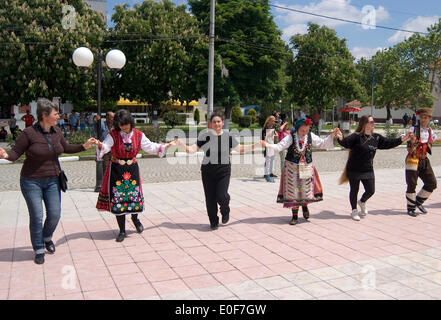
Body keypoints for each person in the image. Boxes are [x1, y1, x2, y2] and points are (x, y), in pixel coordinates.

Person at [0, 99, 97, 264]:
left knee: (54, 214)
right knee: (37, 216)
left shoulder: (57, 131)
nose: (59, 116)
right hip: (31, 182)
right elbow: (15, 153)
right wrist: (5, 155)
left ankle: (46, 237)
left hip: (53, 180)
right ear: (44, 116)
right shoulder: (29, 133)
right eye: (56, 114)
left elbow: (65, 148)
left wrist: (84, 146)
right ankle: (38, 248)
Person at [95, 109, 176, 242]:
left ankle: (135, 218)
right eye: (121, 125)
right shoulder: (113, 135)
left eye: (126, 124)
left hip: (132, 169)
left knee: (134, 196)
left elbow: (150, 146)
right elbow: (106, 146)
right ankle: (121, 230)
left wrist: (166, 145)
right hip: (116, 170)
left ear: (130, 122)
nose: (124, 127)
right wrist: (99, 145)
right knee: (118, 198)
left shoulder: (139, 135)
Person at [177, 113, 261, 230]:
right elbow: (192, 150)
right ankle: (213, 221)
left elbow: (240, 149)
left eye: (218, 121)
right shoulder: (204, 136)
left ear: (222, 122)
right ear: (211, 124)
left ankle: (225, 210)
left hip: (223, 171)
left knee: (222, 195)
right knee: (210, 198)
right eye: (214, 122)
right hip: (207, 171)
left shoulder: (228, 136)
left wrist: (255, 145)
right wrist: (182, 145)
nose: (216, 124)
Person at [262, 118, 338, 225]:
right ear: (297, 129)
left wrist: (332, 135)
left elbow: (323, 143)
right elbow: (279, 146)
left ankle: (305, 206)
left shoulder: (310, 136)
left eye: (306, 130)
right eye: (302, 130)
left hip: (306, 167)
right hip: (292, 168)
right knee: (293, 192)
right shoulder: (291, 137)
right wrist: (267, 145)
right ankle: (295, 216)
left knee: (304, 189)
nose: (304, 133)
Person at [337, 115, 411, 221]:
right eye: (371, 122)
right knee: (354, 190)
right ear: (365, 124)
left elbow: (388, 143)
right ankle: (354, 210)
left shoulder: (376, 138)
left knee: (371, 190)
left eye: (373, 122)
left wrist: (401, 139)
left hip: (368, 169)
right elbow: (345, 143)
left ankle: (362, 201)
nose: (373, 123)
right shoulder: (356, 136)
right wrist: (340, 137)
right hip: (354, 168)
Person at [405, 108, 441, 217]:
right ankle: (411, 208)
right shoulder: (413, 129)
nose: (423, 120)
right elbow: (407, 145)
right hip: (413, 159)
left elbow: (436, 139)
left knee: (432, 183)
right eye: (421, 117)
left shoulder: (430, 131)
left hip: (424, 159)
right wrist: (410, 140)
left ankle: (418, 202)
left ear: (430, 119)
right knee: (412, 184)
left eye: (426, 118)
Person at [261, 116, 278, 182]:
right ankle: (267, 175)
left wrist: (274, 134)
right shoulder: (265, 129)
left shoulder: (272, 128)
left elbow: (276, 135)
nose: (273, 122)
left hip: (272, 145)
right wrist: (267, 135)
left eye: (274, 121)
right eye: (273, 121)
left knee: (272, 160)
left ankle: (270, 173)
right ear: (269, 121)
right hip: (267, 146)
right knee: (268, 160)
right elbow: (263, 139)